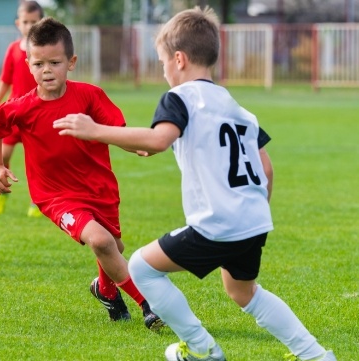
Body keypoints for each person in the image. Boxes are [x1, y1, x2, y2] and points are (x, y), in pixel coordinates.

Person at [54, 6, 335, 361]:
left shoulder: (180, 98)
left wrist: (95, 131)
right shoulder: (234, 106)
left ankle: (203, 350)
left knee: (141, 268)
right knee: (243, 292)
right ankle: (315, 355)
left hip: (218, 222)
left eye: (161, 62)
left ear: (179, 59)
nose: (164, 71)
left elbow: (159, 139)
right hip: (254, 219)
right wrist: (253, 211)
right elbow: (266, 168)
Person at [0, 17, 163, 332]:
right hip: (55, 196)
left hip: (99, 189)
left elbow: (115, 131)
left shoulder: (90, 96)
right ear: (28, 65)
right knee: (101, 241)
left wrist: (137, 146)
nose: (46, 70)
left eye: (54, 62)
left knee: (114, 248)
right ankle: (148, 305)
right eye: (38, 63)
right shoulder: (22, 108)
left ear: (72, 62)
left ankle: (106, 291)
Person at [0, 0, 43, 218]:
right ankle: (1, 193)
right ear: (18, 23)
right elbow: (5, 80)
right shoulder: (12, 49)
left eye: (34, 22)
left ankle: (37, 200)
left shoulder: (43, 51)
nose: (29, 26)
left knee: (37, 160)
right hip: (14, 114)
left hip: (38, 114)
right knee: (3, 154)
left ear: (42, 22)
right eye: (26, 22)